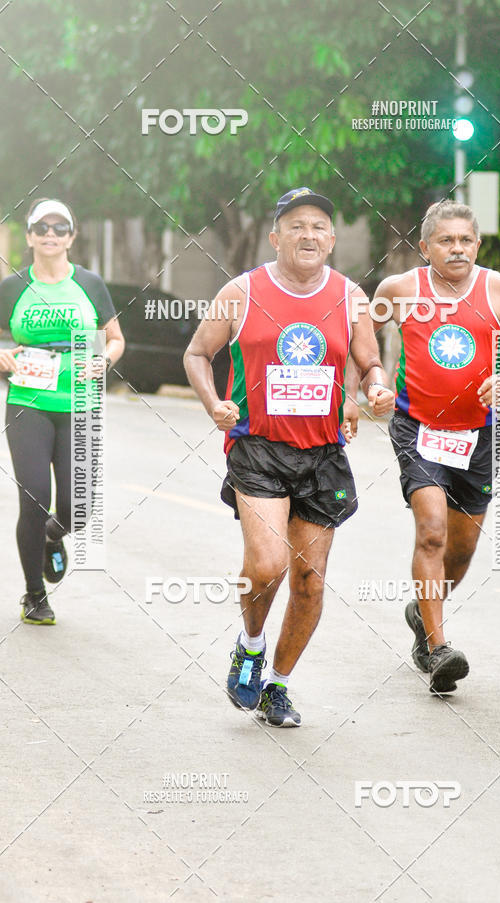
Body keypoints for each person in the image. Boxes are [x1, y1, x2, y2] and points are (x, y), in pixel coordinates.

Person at [184, 187, 394, 726]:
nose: (309, 234)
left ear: (331, 239)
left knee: (309, 581)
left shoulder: (351, 297)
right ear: (276, 236)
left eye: (320, 226)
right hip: (258, 447)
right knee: (268, 564)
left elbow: (369, 362)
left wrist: (373, 388)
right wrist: (214, 402)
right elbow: (198, 353)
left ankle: (277, 685)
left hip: (323, 454)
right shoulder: (241, 292)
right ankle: (249, 645)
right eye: (296, 225)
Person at [346, 200, 500, 694]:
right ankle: (438, 650)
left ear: (477, 244)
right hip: (418, 429)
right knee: (432, 532)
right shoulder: (400, 289)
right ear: (425, 247)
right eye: (445, 240)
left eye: (465, 240)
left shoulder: (498, 289)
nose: (456, 248)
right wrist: (359, 392)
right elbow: (360, 337)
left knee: (460, 551)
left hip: (477, 433)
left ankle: (422, 610)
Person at [0, 198, 125, 625]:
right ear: (30, 236)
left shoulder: (89, 284)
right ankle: (35, 594)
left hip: (80, 402)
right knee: (33, 498)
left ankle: (55, 536)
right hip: (27, 402)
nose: (50, 234)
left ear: (71, 237)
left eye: (59, 228)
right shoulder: (13, 287)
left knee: (79, 503)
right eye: (42, 228)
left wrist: (104, 360)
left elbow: (115, 339)